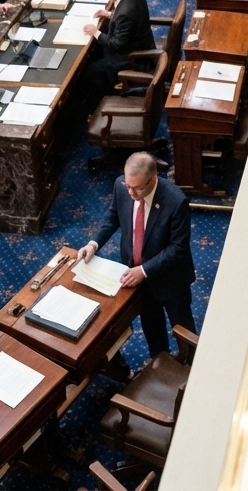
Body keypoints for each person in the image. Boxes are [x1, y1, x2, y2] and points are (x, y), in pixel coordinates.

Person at [77, 151, 195, 356]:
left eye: (137, 188)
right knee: (151, 325)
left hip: (170, 279)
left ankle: (193, 368)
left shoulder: (176, 202)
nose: (131, 193)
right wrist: (93, 244)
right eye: (128, 186)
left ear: (153, 180)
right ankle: (159, 363)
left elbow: (178, 248)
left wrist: (144, 270)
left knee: (183, 328)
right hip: (137, 277)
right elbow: (113, 215)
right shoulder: (121, 185)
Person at [82, 0, 157, 97]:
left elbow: (117, 44)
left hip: (131, 56)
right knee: (96, 51)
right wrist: (110, 14)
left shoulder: (124, 14)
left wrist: (95, 32)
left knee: (91, 71)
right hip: (142, 41)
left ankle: (108, 97)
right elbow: (132, 17)